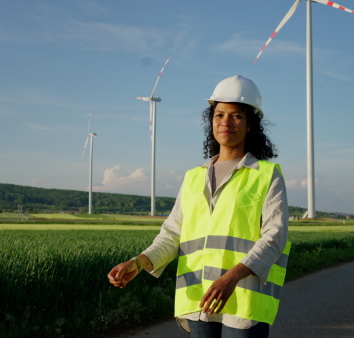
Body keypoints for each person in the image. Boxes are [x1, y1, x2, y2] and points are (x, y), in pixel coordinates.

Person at [107, 75, 290, 337]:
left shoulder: (266, 175)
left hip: (243, 300)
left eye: (236, 116)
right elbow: (172, 234)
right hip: (199, 300)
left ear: (250, 125)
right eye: (219, 115)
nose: (226, 122)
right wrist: (137, 263)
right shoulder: (194, 177)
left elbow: (274, 237)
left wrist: (231, 278)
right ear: (211, 121)